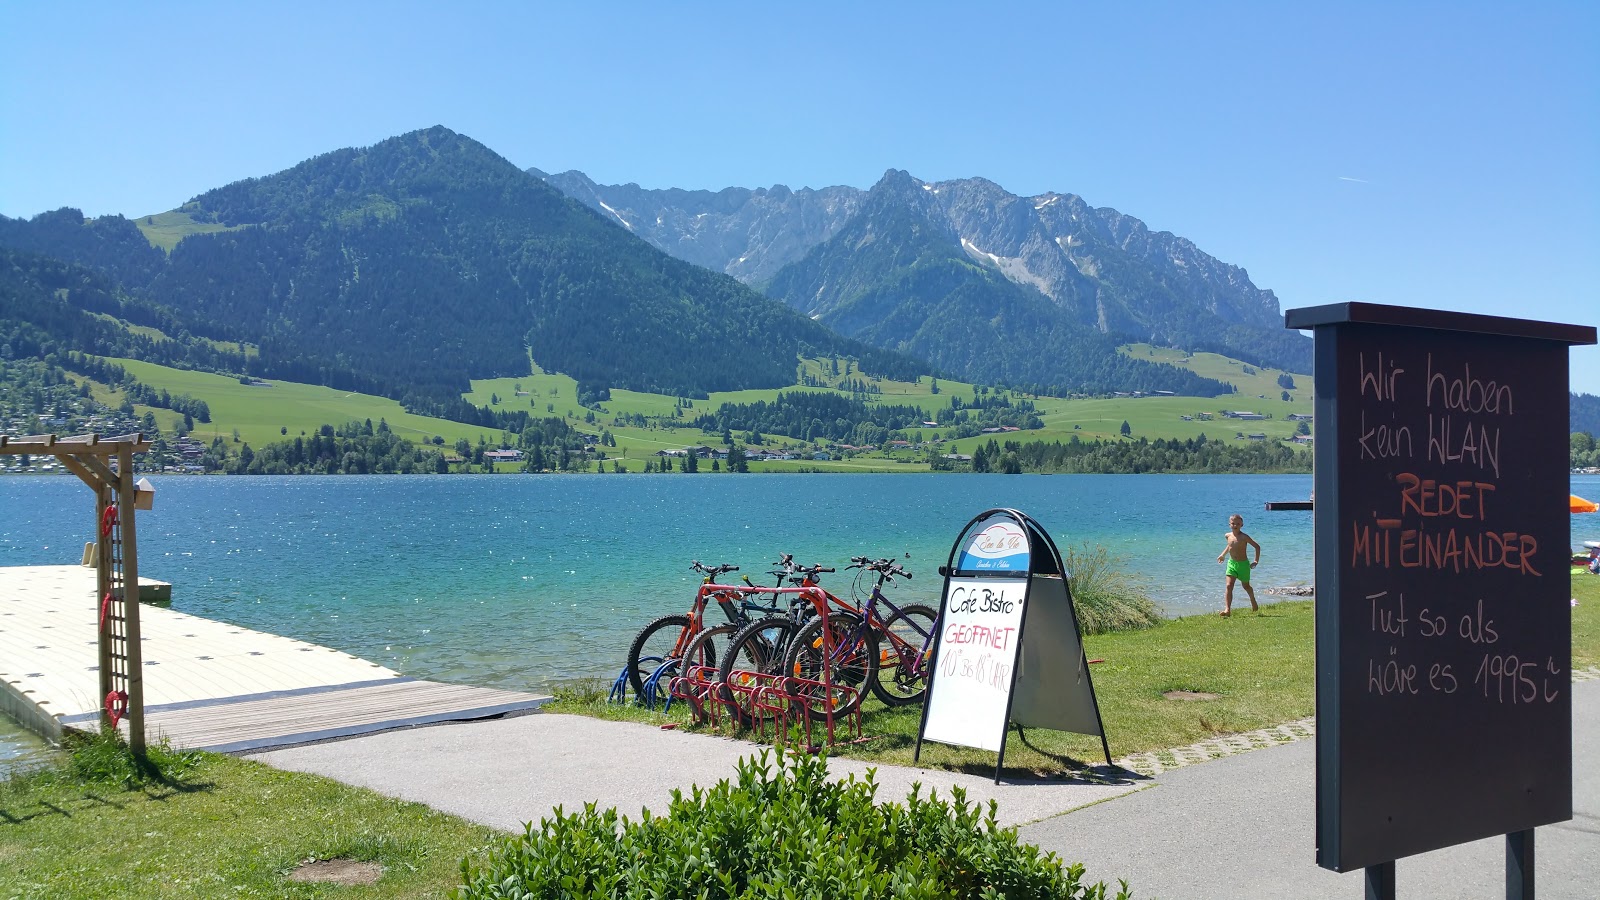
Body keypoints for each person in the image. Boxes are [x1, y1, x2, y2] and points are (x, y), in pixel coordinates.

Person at [1216, 514, 1261, 616]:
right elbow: (1230, 546)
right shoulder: (1228, 536)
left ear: (1242, 525)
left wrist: (1256, 561)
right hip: (1231, 564)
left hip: (1243, 565)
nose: (1235, 525)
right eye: (1233, 523)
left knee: (1246, 586)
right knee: (1228, 586)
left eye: (1238, 524)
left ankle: (1253, 600)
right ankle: (1227, 610)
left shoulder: (1244, 537)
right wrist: (1223, 555)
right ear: (1229, 524)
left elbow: (1257, 547)